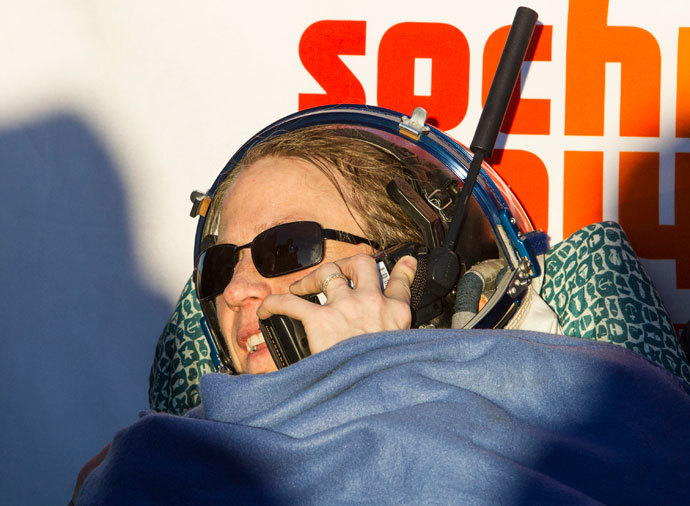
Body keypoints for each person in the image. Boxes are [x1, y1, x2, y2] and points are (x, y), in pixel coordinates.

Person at [74, 105, 690, 505]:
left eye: (285, 248)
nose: (237, 291)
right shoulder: (151, 464)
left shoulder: (609, 402)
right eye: (219, 266)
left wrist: (368, 372)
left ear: (413, 270)